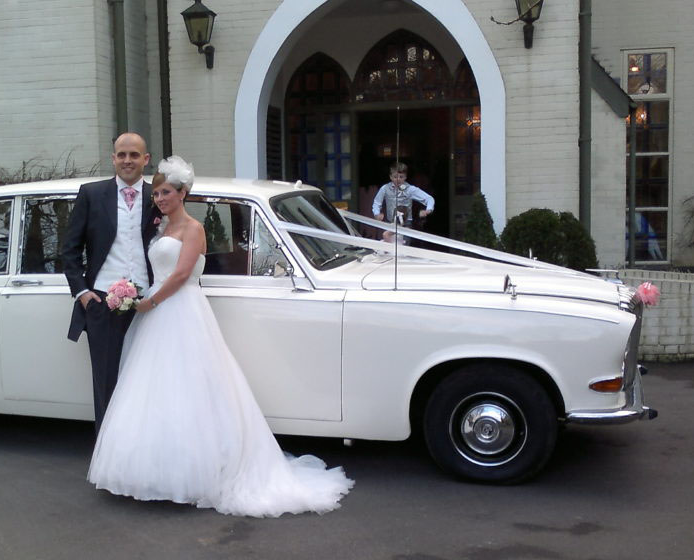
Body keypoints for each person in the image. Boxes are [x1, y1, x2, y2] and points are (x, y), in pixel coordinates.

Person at [88, 156, 354, 517]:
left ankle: (196, 472)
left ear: (183, 193)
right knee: (155, 390)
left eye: (166, 192)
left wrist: (150, 301)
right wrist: (131, 293)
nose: (160, 198)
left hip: (180, 309)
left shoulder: (193, 229)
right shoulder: (161, 228)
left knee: (192, 388)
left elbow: (182, 274)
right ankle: (155, 471)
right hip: (155, 314)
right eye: (158, 193)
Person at [61, 132, 162, 434]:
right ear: (113, 158)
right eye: (122, 155)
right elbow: (69, 249)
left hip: (149, 302)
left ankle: (142, 446)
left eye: (134, 155)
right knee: (106, 381)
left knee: (148, 378)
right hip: (102, 302)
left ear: (146, 159)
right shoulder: (92, 194)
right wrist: (82, 293)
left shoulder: (158, 196)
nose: (127, 160)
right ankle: (108, 455)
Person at [372, 163, 434, 242]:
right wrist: (376, 213)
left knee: (403, 248)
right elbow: (377, 202)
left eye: (401, 177)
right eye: (395, 177)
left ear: (405, 177)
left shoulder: (410, 189)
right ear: (390, 177)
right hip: (390, 223)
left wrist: (428, 209)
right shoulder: (385, 188)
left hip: (405, 224)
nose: (398, 179)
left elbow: (429, 198)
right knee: (388, 247)